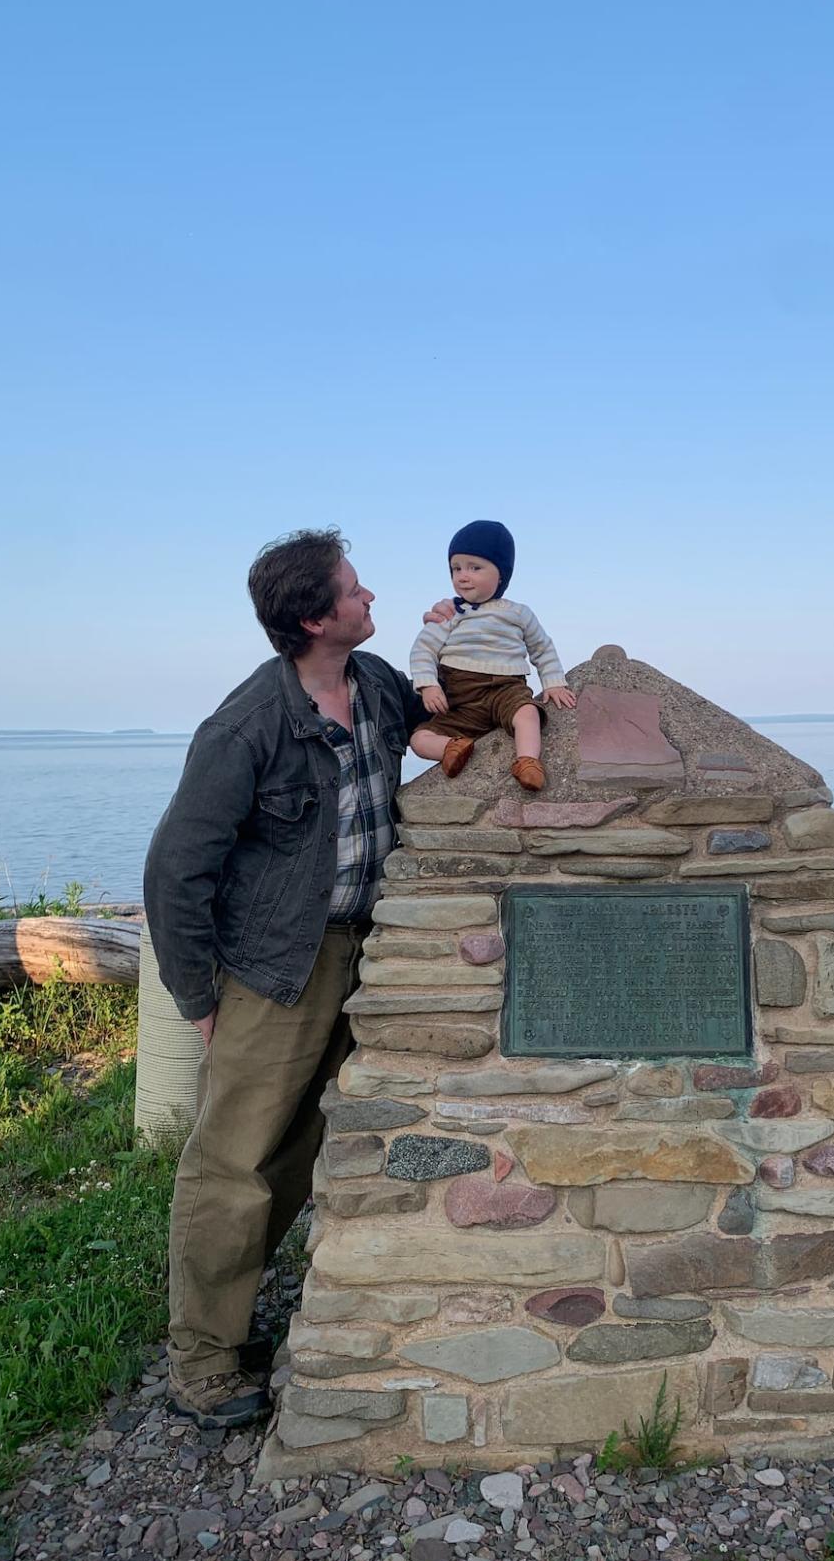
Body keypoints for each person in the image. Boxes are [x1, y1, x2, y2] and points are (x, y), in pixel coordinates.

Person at [143, 527, 429, 1429]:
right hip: (273, 969)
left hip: (365, 950)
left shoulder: (375, 683)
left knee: (299, 1155)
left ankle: (234, 1323)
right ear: (314, 617)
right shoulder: (244, 728)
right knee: (236, 1164)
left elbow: (440, 724)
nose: (372, 597)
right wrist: (200, 1001)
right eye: (354, 589)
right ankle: (202, 1360)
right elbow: (174, 869)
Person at [408, 519, 575, 792]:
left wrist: (553, 681)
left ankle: (528, 761)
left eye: (475, 568)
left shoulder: (518, 612)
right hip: (461, 699)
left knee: (528, 714)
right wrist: (428, 685)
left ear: (501, 575)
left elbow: (542, 648)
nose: (462, 575)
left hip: (506, 689)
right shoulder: (451, 612)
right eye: (456, 568)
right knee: (419, 738)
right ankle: (451, 747)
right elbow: (423, 649)